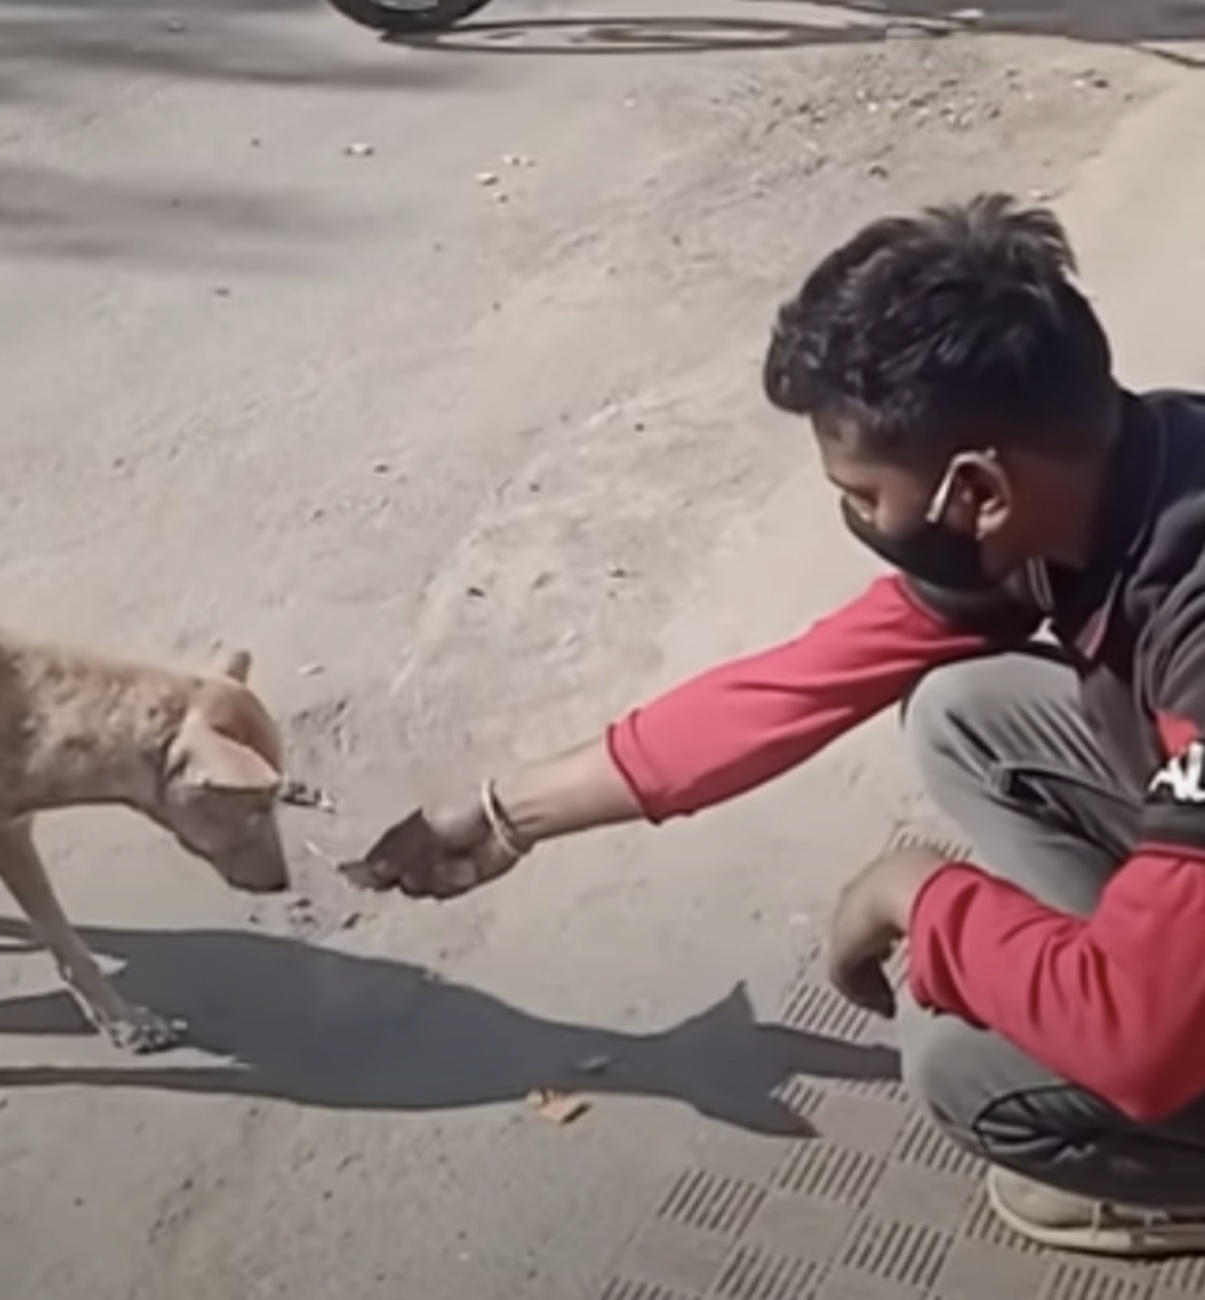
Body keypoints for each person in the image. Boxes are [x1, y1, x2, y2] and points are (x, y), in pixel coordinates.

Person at [353, 192, 1205, 1258]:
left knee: (964, 1068)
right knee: (964, 712)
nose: (849, 518)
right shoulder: (1120, 471)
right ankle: (1141, 951)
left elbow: (1137, 1040)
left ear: (974, 488)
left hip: (1159, 983)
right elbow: (805, 682)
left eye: (856, 492)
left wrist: (918, 895)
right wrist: (504, 813)